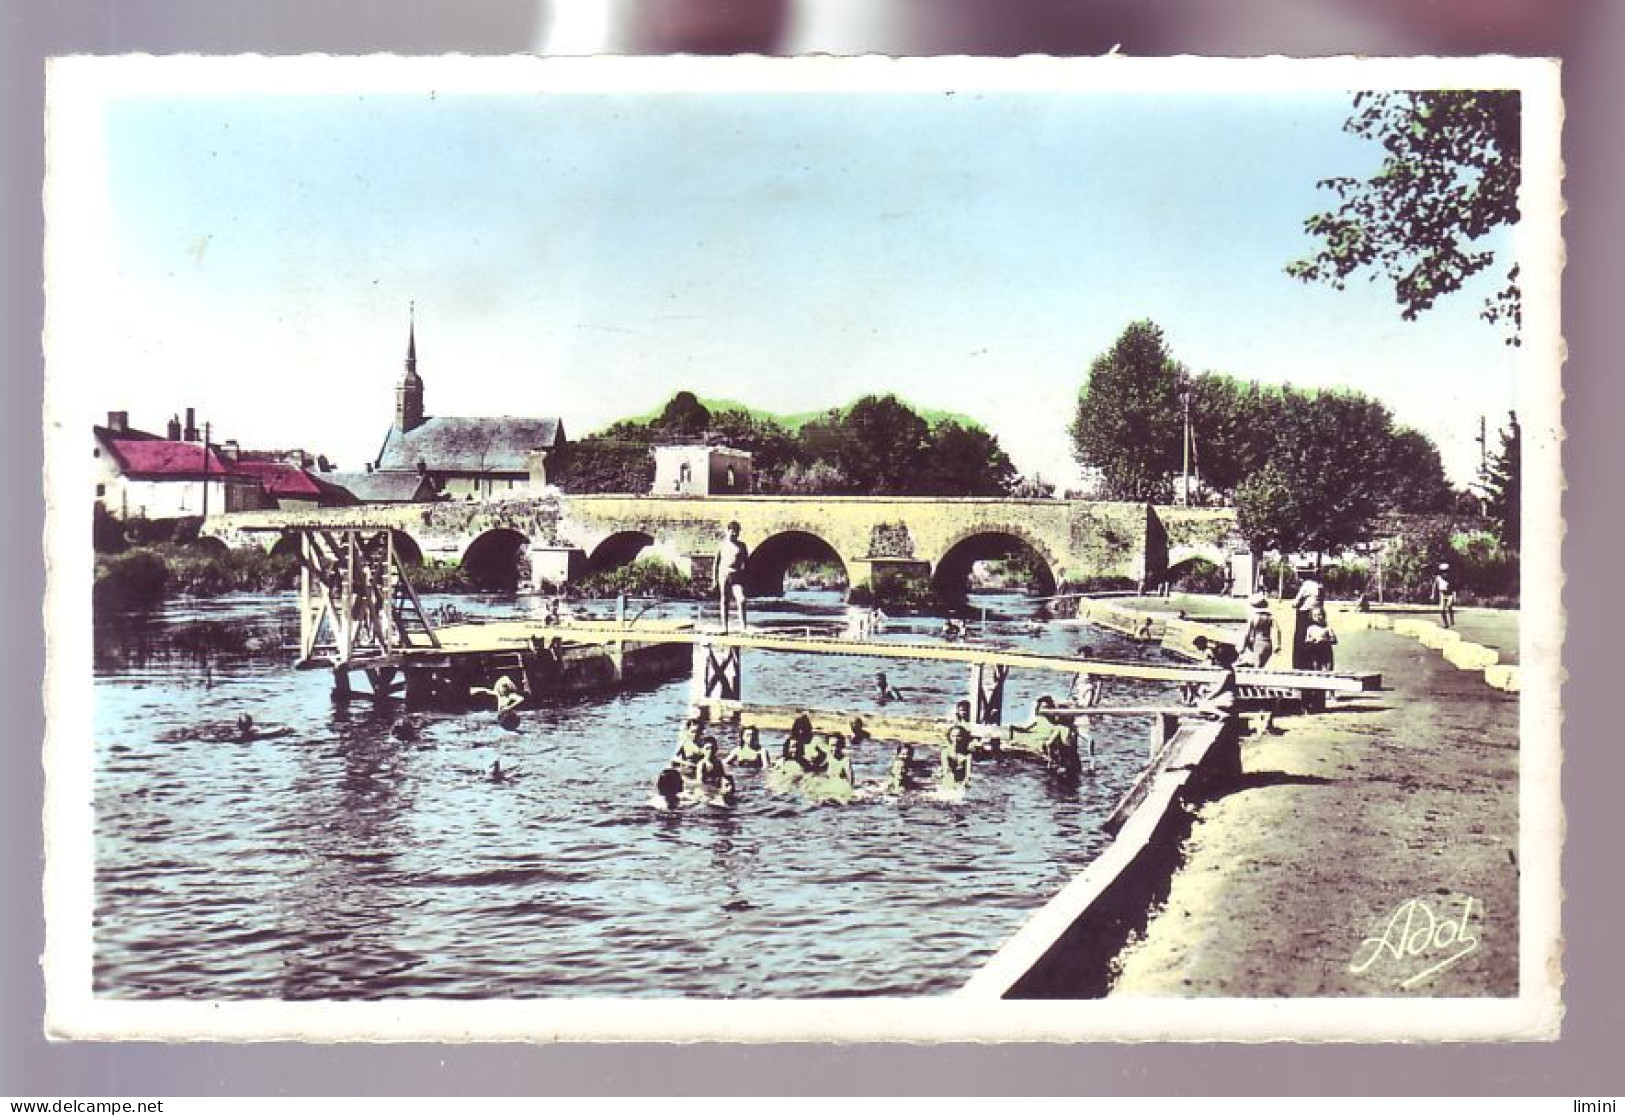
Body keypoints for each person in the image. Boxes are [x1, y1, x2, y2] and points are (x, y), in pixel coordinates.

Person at [716, 521, 750, 633]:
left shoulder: (742, 546)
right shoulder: (722, 545)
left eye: (737, 532)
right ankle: (724, 627)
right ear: (728, 531)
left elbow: (747, 563)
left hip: (737, 576)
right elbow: (716, 563)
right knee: (725, 600)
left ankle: (743, 627)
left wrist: (746, 578)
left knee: (741, 599)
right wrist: (714, 579)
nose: (735, 534)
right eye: (732, 531)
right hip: (724, 574)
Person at [1193, 642, 1240, 719]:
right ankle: (1217, 713)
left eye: (1216, 659)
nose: (1215, 661)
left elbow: (1218, 690)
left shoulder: (1227, 673)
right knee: (1201, 703)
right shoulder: (1228, 670)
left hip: (1226, 700)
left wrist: (1206, 698)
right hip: (1224, 698)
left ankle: (1222, 714)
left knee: (1201, 705)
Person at [1290, 574, 1325, 670]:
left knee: (1300, 638)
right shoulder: (1320, 586)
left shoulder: (1306, 585)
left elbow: (1295, 603)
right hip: (1319, 613)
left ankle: (1301, 664)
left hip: (1305, 614)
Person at [1238, 593, 1276, 668]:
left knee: (1257, 667)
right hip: (1268, 643)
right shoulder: (1270, 617)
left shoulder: (1254, 617)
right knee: (1262, 665)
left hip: (1258, 643)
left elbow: (1247, 633)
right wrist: (1277, 645)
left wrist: (1243, 647)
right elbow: (1277, 631)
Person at [940, 725, 973, 792]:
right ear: (949, 737)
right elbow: (946, 769)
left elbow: (968, 774)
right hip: (948, 781)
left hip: (961, 783)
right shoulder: (945, 752)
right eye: (953, 736)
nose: (956, 739)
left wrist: (965, 783)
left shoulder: (968, 755)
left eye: (958, 736)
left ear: (963, 737)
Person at [1434, 562, 1457, 629]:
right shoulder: (1438, 578)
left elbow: (1454, 588)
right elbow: (1435, 586)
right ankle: (1446, 623)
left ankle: (1452, 620)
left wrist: (1454, 596)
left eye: (1446, 571)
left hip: (1449, 594)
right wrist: (1433, 594)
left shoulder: (1450, 578)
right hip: (1442, 594)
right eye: (1443, 571)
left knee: (1449, 606)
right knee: (1442, 609)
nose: (1444, 573)